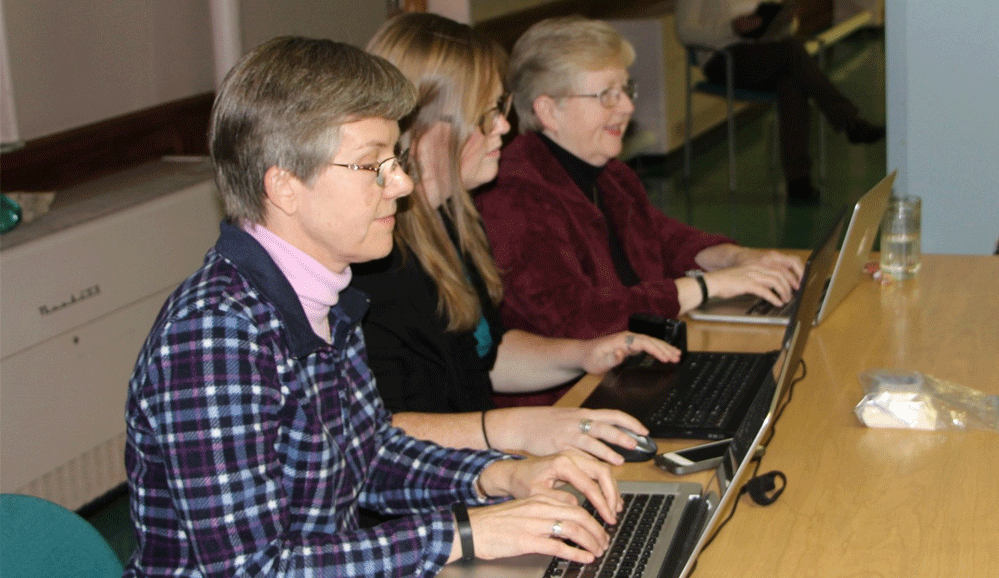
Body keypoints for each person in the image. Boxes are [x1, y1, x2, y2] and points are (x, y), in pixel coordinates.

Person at [122, 36, 623, 577]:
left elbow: (370, 455)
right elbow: (253, 569)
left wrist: (497, 476)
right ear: (285, 187)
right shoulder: (215, 337)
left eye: (396, 159)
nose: (402, 183)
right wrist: (462, 532)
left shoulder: (324, 297)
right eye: (373, 165)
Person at [352, 13, 680, 442]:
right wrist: (517, 429)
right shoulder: (374, 264)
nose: (504, 128)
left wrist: (584, 353)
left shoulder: (456, 219)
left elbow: (486, 354)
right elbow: (380, 434)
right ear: (425, 126)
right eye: (488, 114)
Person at [476, 17, 805, 363]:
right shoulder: (513, 195)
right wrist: (709, 287)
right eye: (607, 96)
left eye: (625, 90)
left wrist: (736, 259)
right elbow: (575, 318)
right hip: (573, 396)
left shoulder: (610, 174)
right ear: (548, 111)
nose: (627, 107)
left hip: (640, 358)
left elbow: (662, 238)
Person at [674, 0, 885, 202]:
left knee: (790, 82)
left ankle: (798, 181)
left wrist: (786, 21)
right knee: (791, 51)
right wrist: (732, 28)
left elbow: (784, 27)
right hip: (722, 58)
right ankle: (850, 121)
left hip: (764, 52)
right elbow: (685, 32)